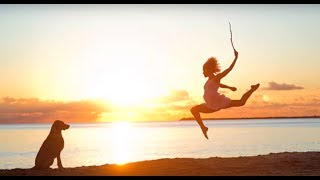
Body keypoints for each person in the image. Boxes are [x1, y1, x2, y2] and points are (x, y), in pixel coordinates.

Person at [190, 50, 260, 139]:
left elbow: (228, 70)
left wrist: (235, 58)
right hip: (210, 104)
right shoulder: (211, 80)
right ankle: (203, 128)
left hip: (216, 103)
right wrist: (229, 87)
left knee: (241, 102)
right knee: (193, 110)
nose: (203, 72)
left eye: (204, 70)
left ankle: (252, 89)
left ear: (209, 70)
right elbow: (219, 85)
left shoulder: (217, 77)